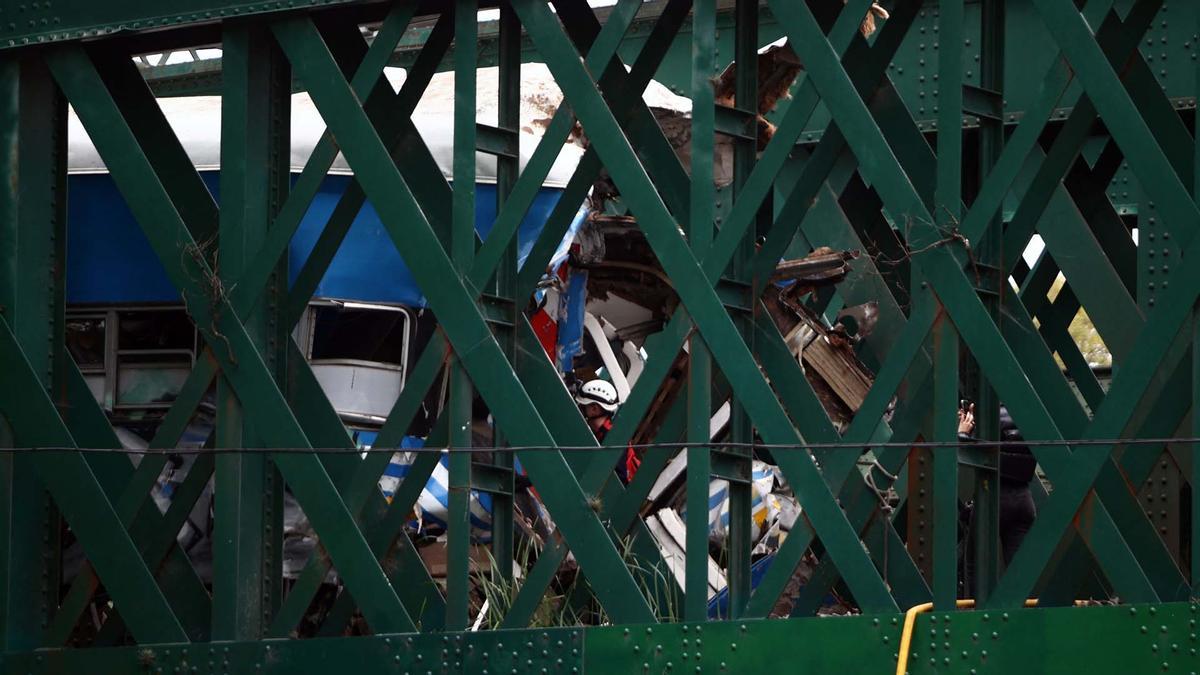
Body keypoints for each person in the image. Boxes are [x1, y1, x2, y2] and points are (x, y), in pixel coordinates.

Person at [959, 403, 1037, 566]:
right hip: (1023, 499)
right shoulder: (1027, 415)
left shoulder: (988, 415)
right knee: (1018, 572)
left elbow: (970, 454)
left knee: (975, 568)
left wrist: (963, 433)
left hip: (993, 498)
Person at [574, 379, 640, 483]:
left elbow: (618, 479)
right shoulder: (601, 432)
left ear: (594, 409)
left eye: (583, 406)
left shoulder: (613, 439)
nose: (579, 409)